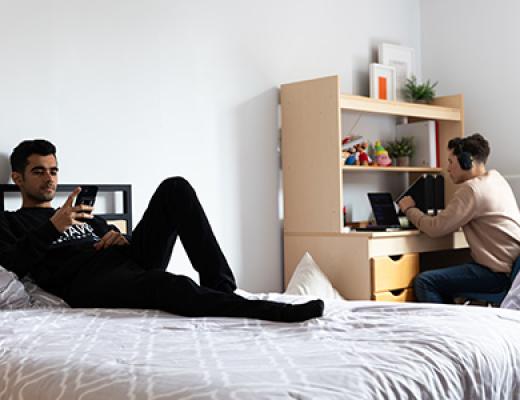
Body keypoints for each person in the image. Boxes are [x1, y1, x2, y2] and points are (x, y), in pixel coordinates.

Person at [0, 139, 324, 322]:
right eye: (39, 171)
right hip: (88, 282)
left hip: (123, 259)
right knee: (163, 284)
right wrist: (53, 227)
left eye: (54, 170)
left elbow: (112, 234)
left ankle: (221, 287)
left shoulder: (78, 213)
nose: (49, 178)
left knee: (175, 188)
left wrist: (119, 237)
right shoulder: (11, 221)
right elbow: (13, 263)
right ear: (18, 178)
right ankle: (274, 312)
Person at [398, 133, 520, 304]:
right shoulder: (496, 179)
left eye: (450, 162)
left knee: (425, 282)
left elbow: (435, 228)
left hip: (496, 274)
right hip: (512, 270)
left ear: (466, 161)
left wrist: (409, 209)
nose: (447, 169)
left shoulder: (472, 189)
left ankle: (446, 328)